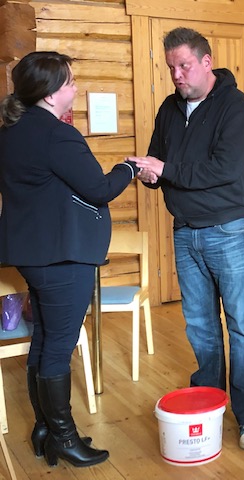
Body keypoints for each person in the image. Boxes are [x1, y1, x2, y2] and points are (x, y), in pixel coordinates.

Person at [129, 28, 244, 449]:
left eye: (184, 65)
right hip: (185, 231)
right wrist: (151, 174)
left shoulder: (237, 107)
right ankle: (209, 402)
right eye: (171, 66)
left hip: (230, 229)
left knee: (242, 326)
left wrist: (166, 170)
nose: (176, 74)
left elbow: (224, 169)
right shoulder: (169, 108)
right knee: (201, 327)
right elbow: (162, 161)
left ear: (207, 62)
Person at [0, 51, 138, 466]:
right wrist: (129, 168)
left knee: (44, 339)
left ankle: (44, 429)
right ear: (49, 93)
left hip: (31, 254)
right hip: (63, 256)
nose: (76, 88)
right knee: (59, 346)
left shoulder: (10, 132)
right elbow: (99, 189)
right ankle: (64, 437)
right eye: (70, 82)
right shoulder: (57, 134)